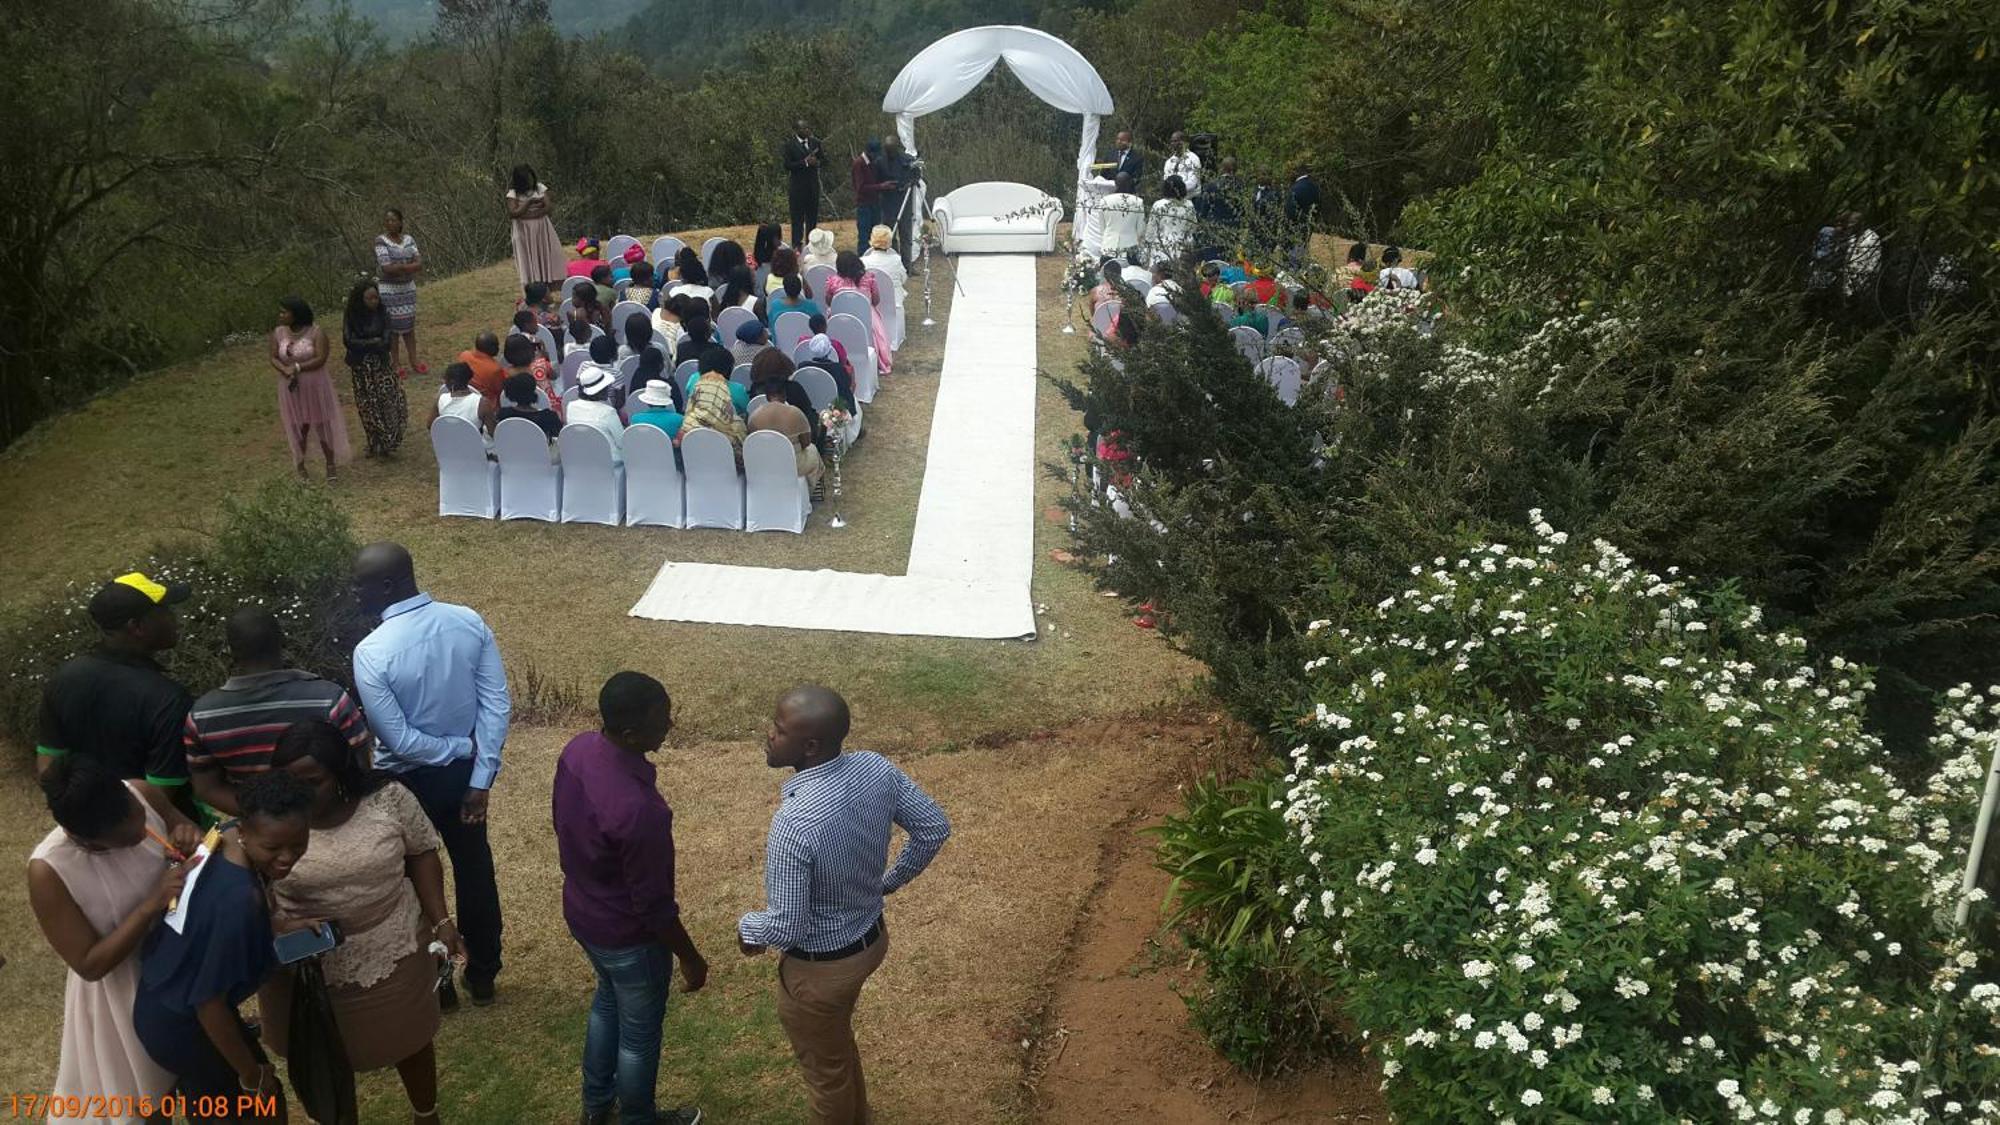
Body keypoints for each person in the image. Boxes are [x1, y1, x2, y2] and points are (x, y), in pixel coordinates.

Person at [738, 686, 951, 1125]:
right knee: (835, 1046)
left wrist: (749, 929)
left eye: (778, 730)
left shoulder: (794, 825)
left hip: (821, 971)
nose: (768, 736)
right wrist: (886, 883)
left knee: (825, 1075)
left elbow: (787, 926)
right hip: (870, 942)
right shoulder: (874, 767)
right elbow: (933, 827)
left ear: (810, 746)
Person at [259, 720, 463, 1125]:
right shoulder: (265, 813)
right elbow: (241, 872)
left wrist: (442, 920)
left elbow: (422, 852)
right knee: (322, 1059)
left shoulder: (389, 799)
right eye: (289, 781)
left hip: (391, 946)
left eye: (313, 781)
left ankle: (427, 1114)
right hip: (306, 966)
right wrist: (273, 921)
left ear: (339, 773)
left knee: (411, 1041)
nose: (299, 793)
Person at [351, 543, 512, 1010]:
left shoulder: (371, 651)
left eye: (360, 585)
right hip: (462, 777)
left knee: (415, 881)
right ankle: (483, 973)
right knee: (474, 868)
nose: (354, 593)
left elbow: (397, 740)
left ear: (386, 585)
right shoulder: (466, 621)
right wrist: (478, 774)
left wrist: (462, 756)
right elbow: (495, 705)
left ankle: (437, 981)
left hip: (405, 786)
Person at [553, 673, 710, 1125]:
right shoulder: (640, 811)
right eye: (661, 719)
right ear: (629, 734)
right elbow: (654, 905)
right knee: (639, 1038)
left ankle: (596, 1108)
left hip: (583, 914)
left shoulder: (579, 749)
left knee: (607, 1003)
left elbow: (562, 821)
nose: (670, 724)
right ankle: (638, 1119)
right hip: (627, 937)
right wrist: (691, 959)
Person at [28, 756, 201, 1121]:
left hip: (181, 967)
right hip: (122, 994)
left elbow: (181, 828)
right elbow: (90, 964)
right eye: (126, 839)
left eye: (140, 820)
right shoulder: (49, 870)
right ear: (84, 839)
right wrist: (151, 903)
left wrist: (186, 832)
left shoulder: (141, 792)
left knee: (204, 1085)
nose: (141, 835)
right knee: (147, 1103)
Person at [133, 770, 313, 1120]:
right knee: (259, 1110)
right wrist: (251, 1075)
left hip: (168, 994)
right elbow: (209, 1005)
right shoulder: (238, 902)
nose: (288, 858)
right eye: (274, 848)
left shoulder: (226, 836)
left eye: (299, 845)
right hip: (184, 1023)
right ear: (246, 832)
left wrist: (279, 925)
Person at [38, 573, 196, 821]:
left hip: (90, 826)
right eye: (164, 610)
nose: (174, 618)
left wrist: (80, 821)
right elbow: (160, 794)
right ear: (137, 627)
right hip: (156, 832)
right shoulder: (168, 699)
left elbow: (48, 765)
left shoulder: (64, 678)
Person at [184, 607, 370, 817]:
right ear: (282, 640)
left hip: (264, 839)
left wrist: (266, 817)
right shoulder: (330, 699)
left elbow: (207, 788)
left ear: (229, 650)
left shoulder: (202, 716)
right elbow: (361, 768)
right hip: (329, 819)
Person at [269, 296, 352, 481]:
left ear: (296, 314)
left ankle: (330, 465)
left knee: (322, 424)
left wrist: (298, 368)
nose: (281, 315)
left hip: (314, 386)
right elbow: (274, 356)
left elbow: (321, 358)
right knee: (298, 426)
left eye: (285, 312)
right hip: (291, 387)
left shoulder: (316, 332)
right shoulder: (279, 333)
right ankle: (300, 466)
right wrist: (284, 369)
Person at [339, 280, 407, 458]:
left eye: (376, 297)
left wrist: (369, 343)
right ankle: (373, 440)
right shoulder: (351, 315)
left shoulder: (383, 313)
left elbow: (386, 340)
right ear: (360, 299)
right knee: (367, 405)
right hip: (361, 367)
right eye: (369, 298)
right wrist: (372, 342)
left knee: (388, 400)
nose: (374, 301)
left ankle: (388, 441)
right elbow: (348, 340)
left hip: (381, 365)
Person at [749, 368, 825, 492]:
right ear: (784, 395)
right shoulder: (795, 413)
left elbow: (752, 443)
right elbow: (806, 442)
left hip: (765, 464)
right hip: (792, 464)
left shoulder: (754, 416)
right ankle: (809, 491)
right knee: (813, 450)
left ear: (767, 396)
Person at [824, 252, 892, 376]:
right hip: (866, 318)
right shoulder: (869, 279)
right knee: (873, 316)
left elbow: (829, 302)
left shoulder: (833, 282)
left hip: (840, 318)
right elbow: (876, 301)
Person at [374, 207, 424, 376]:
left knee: (409, 326)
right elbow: (386, 267)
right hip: (389, 290)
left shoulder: (409, 239)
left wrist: (401, 267)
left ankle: (414, 360)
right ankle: (395, 363)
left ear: (401, 222)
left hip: (407, 289)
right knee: (393, 328)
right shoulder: (380, 241)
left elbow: (419, 262)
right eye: (387, 220)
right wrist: (407, 266)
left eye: (393, 220)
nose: (390, 223)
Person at [506, 165, 566, 287]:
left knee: (545, 255)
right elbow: (514, 213)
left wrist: (531, 214)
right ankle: (533, 287)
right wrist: (529, 203)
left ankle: (548, 285)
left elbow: (548, 207)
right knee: (528, 259)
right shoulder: (513, 194)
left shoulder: (539, 188)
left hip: (542, 227)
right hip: (524, 230)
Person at [677, 347, 746, 450]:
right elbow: (746, 409)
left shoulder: (694, 379)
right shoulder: (737, 389)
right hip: (725, 445)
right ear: (728, 369)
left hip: (694, 445)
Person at [570, 346, 628, 463]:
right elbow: (622, 442)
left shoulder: (570, 406)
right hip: (609, 461)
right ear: (602, 390)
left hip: (581, 457)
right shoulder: (608, 412)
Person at [859, 225, 907, 338]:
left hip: (871, 300)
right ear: (889, 242)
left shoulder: (863, 261)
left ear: (871, 240)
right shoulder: (896, 260)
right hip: (893, 300)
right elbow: (903, 279)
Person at [878, 139, 920, 267]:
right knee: (890, 235)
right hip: (888, 203)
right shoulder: (880, 161)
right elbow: (877, 181)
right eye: (887, 150)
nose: (889, 153)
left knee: (906, 234)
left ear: (896, 148)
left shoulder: (907, 159)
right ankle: (894, 264)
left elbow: (916, 175)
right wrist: (884, 186)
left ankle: (907, 265)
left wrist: (907, 184)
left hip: (904, 201)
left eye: (891, 150)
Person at [783, 120, 825, 247]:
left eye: (808, 127)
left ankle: (812, 244)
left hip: (812, 187)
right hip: (797, 189)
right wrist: (805, 163)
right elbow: (787, 165)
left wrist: (817, 163)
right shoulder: (789, 145)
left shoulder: (815, 143)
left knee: (812, 218)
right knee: (797, 220)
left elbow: (824, 160)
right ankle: (797, 245)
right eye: (804, 128)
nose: (807, 130)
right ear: (797, 130)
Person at [850, 139, 896, 253]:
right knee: (864, 237)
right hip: (864, 205)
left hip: (875, 203)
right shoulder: (859, 164)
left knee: (874, 235)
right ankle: (862, 261)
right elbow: (860, 188)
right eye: (875, 154)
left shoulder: (873, 163)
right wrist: (881, 186)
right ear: (869, 152)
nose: (877, 157)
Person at [432, 361, 493, 435]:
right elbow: (492, 432)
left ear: (451, 381)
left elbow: (431, 425)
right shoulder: (483, 403)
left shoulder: (440, 399)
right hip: (474, 445)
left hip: (447, 444)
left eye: (445, 379)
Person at [498, 371, 562, 439]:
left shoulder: (504, 414)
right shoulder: (548, 417)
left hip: (511, 448)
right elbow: (560, 437)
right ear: (534, 392)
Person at [1099, 174, 1146, 261]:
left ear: (1115, 184)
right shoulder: (1138, 202)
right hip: (1130, 249)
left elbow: (1102, 227)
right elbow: (1141, 229)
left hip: (1109, 247)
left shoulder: (1104, 200)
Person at [1149, 175, 1195, 261]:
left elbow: (1151, 230)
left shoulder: (1158, 205)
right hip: (1183, 246)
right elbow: (1192, 227)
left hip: (1162, 246)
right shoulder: (1189, 204)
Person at [457, 331, 507, 411]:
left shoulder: (464, 356)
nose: (498, 348)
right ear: (491, 348)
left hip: (463, 400)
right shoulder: (494, 369)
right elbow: (501, 392)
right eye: (496, 345)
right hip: (487, 408)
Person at [767, 273, 823, 338]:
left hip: (781, 345)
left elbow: (771, 328)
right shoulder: (811, 306)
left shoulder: (775, 306)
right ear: (800, 289)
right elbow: (820, 328)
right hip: (807, 345)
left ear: (785, 289)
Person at [1163, 131, 1201, 195]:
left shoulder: (1193, 158)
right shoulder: (1169, 162)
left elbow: (1193, 183)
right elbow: (1167, 180)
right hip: (1174, 198)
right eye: (1171, 141)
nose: (1172, 143)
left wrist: (1179, 190)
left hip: (1191, 198)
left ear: (1183, 142)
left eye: (1175, 141)